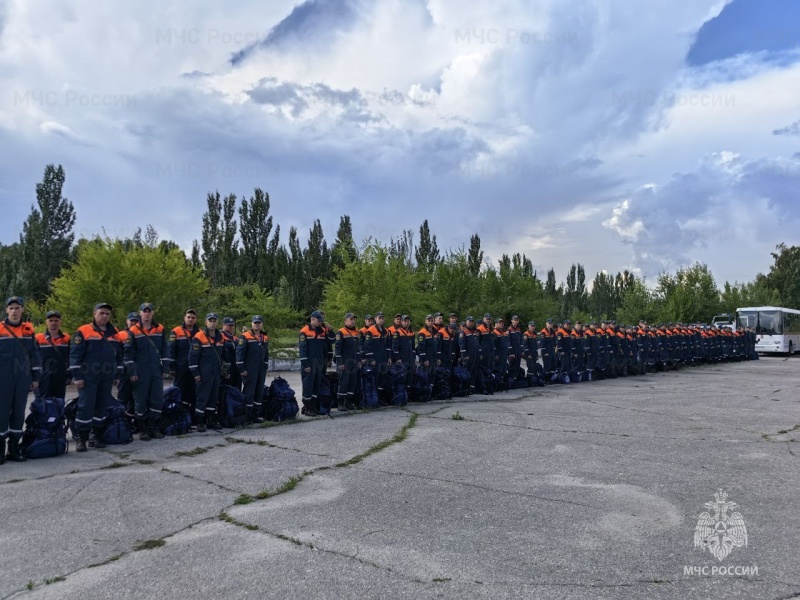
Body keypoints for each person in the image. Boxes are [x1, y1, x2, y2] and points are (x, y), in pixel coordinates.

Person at [69, 302, 122, 452]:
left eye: (107, 313)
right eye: (101, 313)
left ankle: (96, 436)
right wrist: (77, 376)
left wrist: (117, 375)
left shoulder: (114, 332)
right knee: (86, 406)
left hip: (107, 376)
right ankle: (81, 438)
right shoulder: (84, 330)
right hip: (88, 376)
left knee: (102, 406)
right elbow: (75, 355)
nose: (104, 316)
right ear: (94, 314)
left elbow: (119, 356)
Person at [0, 296, 41, 463]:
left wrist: (36, 377)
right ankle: (0, 451)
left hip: (23, 379)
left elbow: (35, 356)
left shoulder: (28, 330)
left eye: (18, 308)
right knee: (1, 414)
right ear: (6, 310)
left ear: (22, 310)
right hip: (3, 378)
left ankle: (14, 449)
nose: (14, 311)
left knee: (18, 413)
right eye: (11, 308)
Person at [123, 303, 168, 441]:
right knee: (140, 400)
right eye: (144, 311)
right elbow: (128, 354)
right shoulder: (134, 330)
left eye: (149, 311)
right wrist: (132, 372)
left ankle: (153, 428)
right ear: (140, 313)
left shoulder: (160, 329)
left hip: (155, 370)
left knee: (156, 399)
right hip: (140, 371)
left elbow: (165, 350)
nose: (147, 314)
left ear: (153, 313)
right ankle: (143, 430)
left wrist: (165, 369)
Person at [188, 313, 224, 431]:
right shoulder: (199, 336)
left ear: (217, 322)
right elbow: (192, 356)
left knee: (213, 398)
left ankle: (211, 420)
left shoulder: (220, 337)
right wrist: (196, 373)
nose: (212, 323)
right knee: (202, 398)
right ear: (206, 322)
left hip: (216, 373)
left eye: (214, 320)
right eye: (210, 321)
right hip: (204, 374)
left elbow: (221, 354)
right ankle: (200, 422)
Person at [167, 309, 200, 420]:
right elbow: (171, 350)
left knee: (194, 392)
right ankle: (176, 415)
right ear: (184, 318)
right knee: (178, 391)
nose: (190, 319)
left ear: (196, 319)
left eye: (193, 318)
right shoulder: (176, 331)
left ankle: (191, 416)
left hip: (194, 369)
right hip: (180, 368)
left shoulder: (200, 333)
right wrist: (171, 367)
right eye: (188, 317)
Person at [237, 315, 269, 423]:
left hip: (261, 369)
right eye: (255, 323)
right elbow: (239, 354)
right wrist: (242, 369)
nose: (257, 324)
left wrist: (265, 364)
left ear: (262, 324)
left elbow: (266, 353)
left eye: (259, 323)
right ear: (252, 324)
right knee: (249, 392)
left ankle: (255, 415)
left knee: (259, 392)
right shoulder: (245, 336)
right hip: (249, 369)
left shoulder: (264, 337)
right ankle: (247, 416)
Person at [35, 310, 70, 400]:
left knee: (59, 402)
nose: (53, 323)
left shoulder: (66, 338)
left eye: (56, 320)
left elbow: (70, 357)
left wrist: (70, 375)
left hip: (60, 376)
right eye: (51, 320)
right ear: (46, 322)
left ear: (60, 322)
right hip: (44, 377)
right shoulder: (39, 338)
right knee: (43, 404)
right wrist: (34, 377)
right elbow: (33, 358)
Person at [299, 311, 329, 414]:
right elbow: (302, 350)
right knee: (308, 385)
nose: (320, 322)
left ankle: (313, 406)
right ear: (313, 319)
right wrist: (305, 365)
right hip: (309, 363)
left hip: (319, 362)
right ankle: (307, 407)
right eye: (319, 320)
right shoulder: (304, 331)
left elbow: (329, 342)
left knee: (316, 385)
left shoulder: (321, 331)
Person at [364, 312, 392, 403]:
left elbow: (388, 346)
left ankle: (379, 398)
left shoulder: (386, 331)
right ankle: (373, 398)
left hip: (383, 358)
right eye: (379, 318)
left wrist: (389, 357)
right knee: (375, 378)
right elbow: (367, 346)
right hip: (375, 359)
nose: (381, 320)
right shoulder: (371, 330)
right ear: (375, 319)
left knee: (382, 378)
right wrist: (371, 359)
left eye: (383, 318)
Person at [335, 313, 361, 410]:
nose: (353, 321)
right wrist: (340, 362)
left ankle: (349, 402)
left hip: (354, 362)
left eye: (354, 319)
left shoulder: (356, 332)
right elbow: (337, 349)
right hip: (344, 363)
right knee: (343, 383)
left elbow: (358, 348)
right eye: (350, 319)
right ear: (345, 321)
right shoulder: (340, 332)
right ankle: (341, 403)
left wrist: (359, 361)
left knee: (352, 383)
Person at [117, 312, 140, 414]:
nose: (134, 323)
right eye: (132, 320)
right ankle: (120, 420)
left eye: (136, 321)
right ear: (127, 321)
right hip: (124, 371)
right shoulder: (120, 335)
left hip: (138, 370)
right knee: (123, 396)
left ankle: (134, 421)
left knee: (137, 397)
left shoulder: (141, 334)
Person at [392, 315, 416, 389]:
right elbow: (395, 347)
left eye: (408, 321)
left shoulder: (411, 332)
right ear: (401, 322)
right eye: (405, 321)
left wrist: (414, 357)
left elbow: (413, 346)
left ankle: (408, 393)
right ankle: (401, 393)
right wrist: (398, 358)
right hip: (402, 358)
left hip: (410, 358)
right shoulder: (397, 332)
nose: (406, 323)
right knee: (403, 376)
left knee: (411, 375)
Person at [458, 316, 480, 392]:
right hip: (468, 356)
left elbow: (478, 344)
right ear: (466, 322)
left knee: (474, 371)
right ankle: (465, 388)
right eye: (469, 321)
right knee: (467, 371)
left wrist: (479, 354)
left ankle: (472, 387)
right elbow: (462, 345)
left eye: (472, 321)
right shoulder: (463, 332)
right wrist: (464, 355)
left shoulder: (475, 332)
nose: (471, 323)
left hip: (476, 355)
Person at [220, 317, 242, 391]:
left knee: (237, 387)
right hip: (225, 366)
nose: (231, 327)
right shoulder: (219, 336)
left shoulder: (234, 337)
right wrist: (232, 344)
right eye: (229, 325)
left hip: (235, 366)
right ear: (223, 325)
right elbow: (224, 345)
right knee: (225, 388)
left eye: (232, 325)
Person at [416, 314, 439, 379]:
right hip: (426, 359)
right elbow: (421, 347)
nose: (430, 322)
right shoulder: (422, 332)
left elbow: (437, 345)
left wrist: (437, 357)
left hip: (433, 359)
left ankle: (431, 388)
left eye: (432, 321)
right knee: (425, 377)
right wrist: (425, 359)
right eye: (429, 321)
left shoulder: (435, 332)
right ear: (425, 321)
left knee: (433, 376)